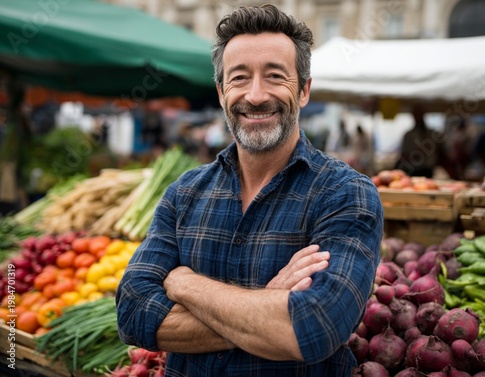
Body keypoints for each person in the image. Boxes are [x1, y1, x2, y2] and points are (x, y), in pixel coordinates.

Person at [116, 5, 383, 377]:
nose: (256, 96)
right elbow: (133, 315)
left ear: (304, 90)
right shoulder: (183, 194)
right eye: (240, 78)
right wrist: (268, 305)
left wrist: (184, 283)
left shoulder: (345, 194)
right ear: (222, 92)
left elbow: (314, 327)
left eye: (275, 76)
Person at [396, 104, 444, 178]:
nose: (418, 117)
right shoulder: (409, 135)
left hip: (428, 169)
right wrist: (417, 154)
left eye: (420, 114)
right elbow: (404, 155)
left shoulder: (432, 133)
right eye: (416, 114)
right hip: (415, 170)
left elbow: (441, 151)